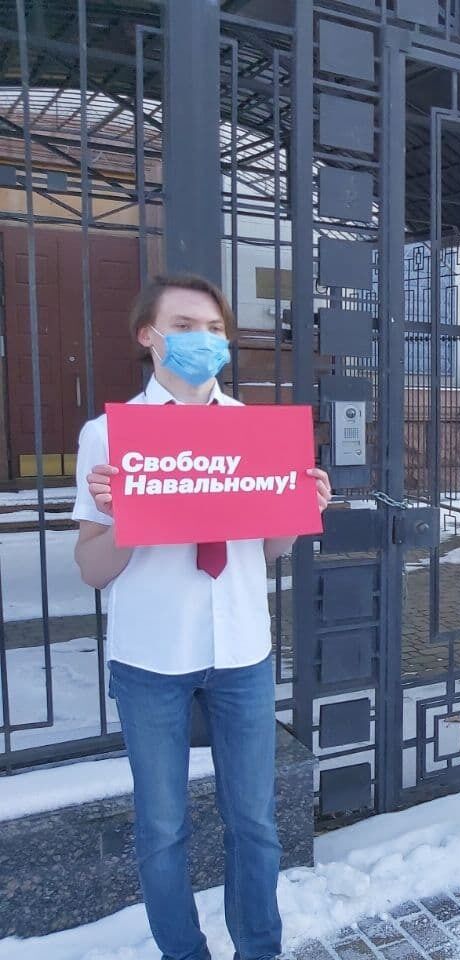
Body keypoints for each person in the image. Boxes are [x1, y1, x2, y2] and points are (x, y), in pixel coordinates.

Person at [73, 274, 331, 960]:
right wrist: (129, 512)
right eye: (188, 325)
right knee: (162, 827)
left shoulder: (254, 432)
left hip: (242, 651)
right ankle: (182, 952)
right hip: (151, 657)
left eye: (216, 328)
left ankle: (260, 948)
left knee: (256, 822)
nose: (207, 340)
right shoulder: (108, 437)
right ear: (147, 336)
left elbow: (268, 552)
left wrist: (302, 511)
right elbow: (91, 569)